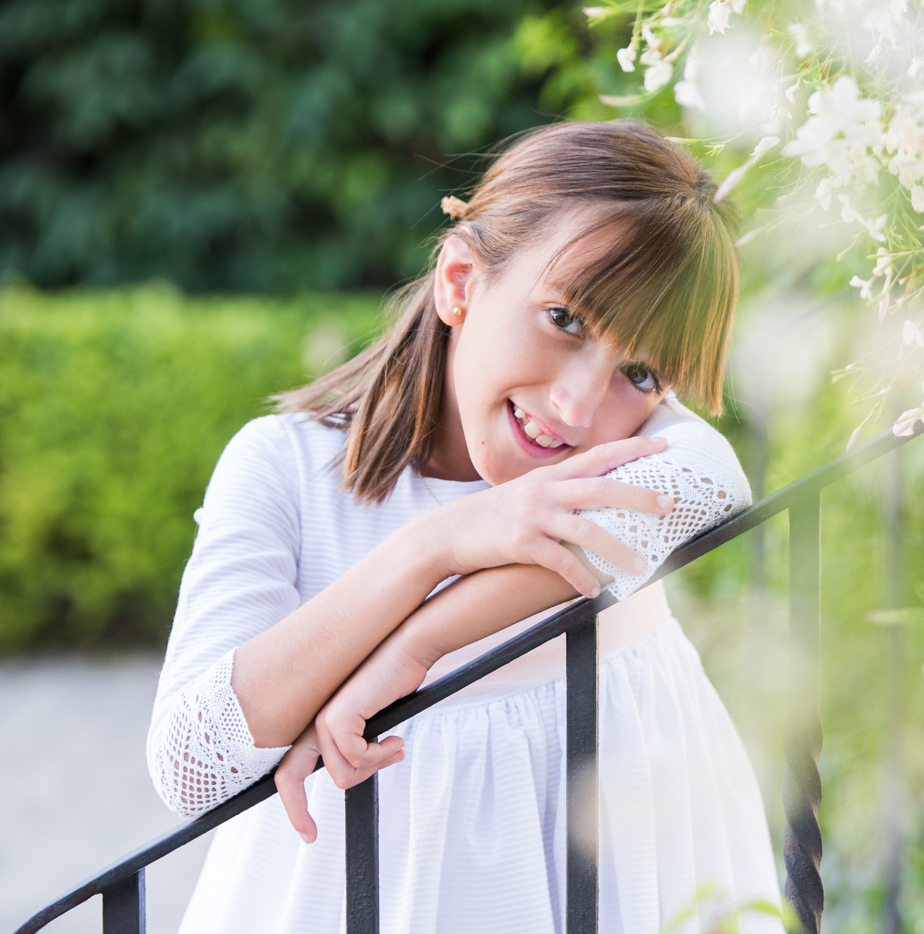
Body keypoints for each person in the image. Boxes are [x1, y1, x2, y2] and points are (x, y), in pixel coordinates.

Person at [145, 121, 781, 934]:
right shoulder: (284, 469)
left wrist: (414, 647)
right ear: (459, 282)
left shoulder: (652, 451)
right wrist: (433, 548)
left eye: (641, 370)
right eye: (566, 319)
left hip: (621, 870)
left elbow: (712, 483)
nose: (579, 407)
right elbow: (192, 764)